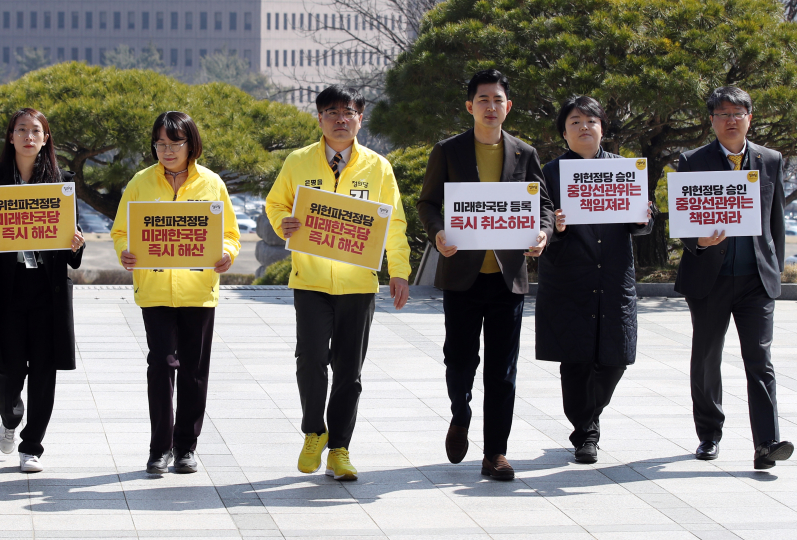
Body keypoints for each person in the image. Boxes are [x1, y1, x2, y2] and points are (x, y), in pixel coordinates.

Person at [265, 85, 411, 482]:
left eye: (348, 112)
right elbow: (276, 203)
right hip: (310, 281)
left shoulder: (378, 167)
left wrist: (399, 271)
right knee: (310, 359)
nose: (340, 119)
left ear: (360, 119)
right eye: (332, 112)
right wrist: (282, 222)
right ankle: (315, 431)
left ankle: (340, 449)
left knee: (349, 371)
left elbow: (394, 222)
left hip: (358, 286)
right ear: (319, 118)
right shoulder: (298, 161)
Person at [416, 69, 552, 481]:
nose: (491, 107)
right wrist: (438, 232)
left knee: (502, 370)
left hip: (508, 278)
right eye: (483, 100)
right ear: (469, 106)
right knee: (459, 361)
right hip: (462, 274)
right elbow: (427, 203)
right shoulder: (448, 151)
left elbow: (543, 204)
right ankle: (460, 413)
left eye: (497, 100)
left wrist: (543, 233)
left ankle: (495, 453)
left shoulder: (524, 153)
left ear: (508, 107)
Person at [112, 111, 240, 475]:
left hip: (198, 291)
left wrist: (227, 253)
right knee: (161, 366)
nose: (167, 151)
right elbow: (121, 231)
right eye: (160, 144)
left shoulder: (212, 183)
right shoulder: (140, 182)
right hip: (154, 290)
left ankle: (186, 447)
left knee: (194, 372)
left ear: (190, 144)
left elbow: (230, 233)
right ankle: (160, 448)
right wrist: (125, 250)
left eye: (175, 143)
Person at [675, 86, 793, 470]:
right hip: (710, 278)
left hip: (755, 280)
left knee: (760, 360)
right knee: (707, 358)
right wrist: (699, 240)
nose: (730, 120)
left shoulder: (769, 159)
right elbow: (682, 218)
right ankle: (709, 434)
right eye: (722, 114)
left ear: (749, 118)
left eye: (737, 113)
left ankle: (767, 443)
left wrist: (775, 269)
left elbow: (775, 221)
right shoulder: (693, 161)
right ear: (711, 120)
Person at [0, 108, 85, 473]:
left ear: (46, 139)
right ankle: (10, 415)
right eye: (21, 130)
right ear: (11, 136)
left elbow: (72, 239)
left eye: (36, 131)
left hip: (48, 288)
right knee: (10, 366)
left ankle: (32, 445)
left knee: (45, 370)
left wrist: (76, 244)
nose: (28, 137)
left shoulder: (61, 181)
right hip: (8, 285)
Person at [537, 96, 653, 464]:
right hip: (569, 279)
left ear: (603, 128)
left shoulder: (625, 170)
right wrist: (553, 227)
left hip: (613, 277)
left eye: (591, 120)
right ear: (564, 132)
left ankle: (589, 416)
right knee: (575, 360)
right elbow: (538, 224)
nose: (584, 127)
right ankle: (585, 434)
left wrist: (643, 217)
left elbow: (642, 223)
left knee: (615, 359)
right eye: (574, 122)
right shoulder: (549, 173)